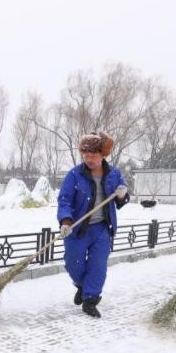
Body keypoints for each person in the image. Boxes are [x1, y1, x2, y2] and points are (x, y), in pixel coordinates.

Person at [57, 132, 130, 318]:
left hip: (102, 228)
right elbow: (64, 199)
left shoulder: (114, 174)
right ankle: (82, 286)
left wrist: (122, 195)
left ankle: (90, 299)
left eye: (93, 155)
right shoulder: (74, 175)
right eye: (86, 155)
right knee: (73, 264)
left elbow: (121, 199)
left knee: (98, 266)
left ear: (102, 155)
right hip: (78, 228)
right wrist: (65, 221)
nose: (89, 159)